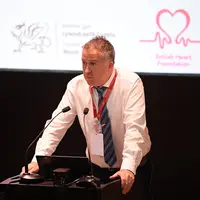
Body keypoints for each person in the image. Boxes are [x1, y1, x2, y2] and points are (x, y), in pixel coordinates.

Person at [21, 35, 151, 197]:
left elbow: (135, 129)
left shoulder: (130, 83)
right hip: (95, 170)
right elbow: (56, 126)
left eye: (93, 64)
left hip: (131, 169)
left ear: (110, 66)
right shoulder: (76, 86)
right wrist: (37, 160)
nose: (86, 70)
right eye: (84, 63)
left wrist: (128, 167)